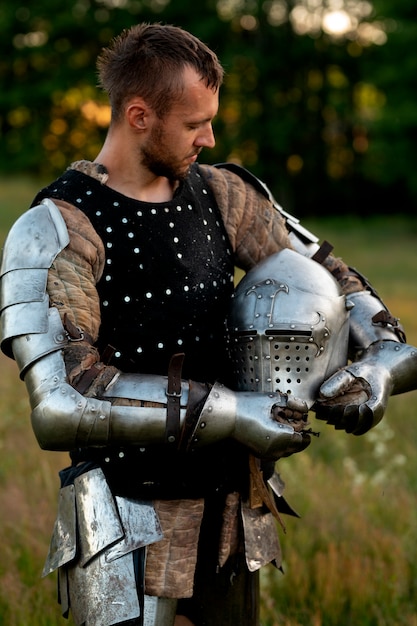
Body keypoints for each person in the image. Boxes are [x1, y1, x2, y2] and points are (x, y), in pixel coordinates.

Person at [1, 22, 417, 626]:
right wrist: (231, 413)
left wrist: (377, 368)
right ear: (139, 115)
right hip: (126, 519)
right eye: (195, 123)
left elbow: (338, 282)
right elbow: (61, 401)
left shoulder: (224, 195)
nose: (210, 135)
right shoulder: (58, 229)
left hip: (231, 515)